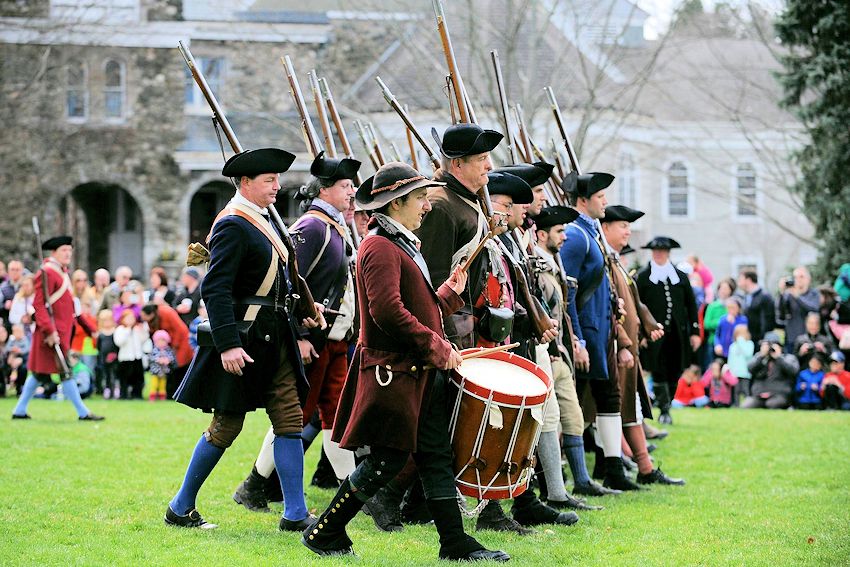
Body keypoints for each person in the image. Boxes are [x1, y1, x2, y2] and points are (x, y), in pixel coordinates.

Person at [303, 161, 508, 562]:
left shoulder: (398, 243)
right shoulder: (379, 246)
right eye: (418, 198)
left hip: (414, 371)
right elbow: (388, 313)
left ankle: (454, 543)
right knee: (387, 459)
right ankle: (325, 532)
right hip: (394, 372)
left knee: (435, 455)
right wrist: (439, 348)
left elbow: (416, 306)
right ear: (395, 204)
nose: (426, 206)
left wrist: (446, 295)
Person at [165, 147, 322, 532]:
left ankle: (295, 513)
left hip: (277, 337)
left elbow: (283, 282)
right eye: (269, 181)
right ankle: (180, 506)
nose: (277, 187)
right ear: (246, 183)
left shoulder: (266, 218)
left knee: (289, 421)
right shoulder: (233, 223)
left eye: (276, 180)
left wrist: (302, 317)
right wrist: (228, 343)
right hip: (246, 339)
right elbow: (215, 288)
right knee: (226, 426)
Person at [233, 151, 361, 511]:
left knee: (334, 415)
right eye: (344, 185)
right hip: (312, 339)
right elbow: (288, 285)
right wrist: (301, 336)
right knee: (294, 417)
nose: (352, 192)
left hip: (333, 337)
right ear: (325, 190)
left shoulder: (333, 226)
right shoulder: (311, 227)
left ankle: (353, 494)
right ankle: (255, 485)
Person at [560, 171, 639, 492]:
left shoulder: (589, 233)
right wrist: (577, 337)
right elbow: (569, 293)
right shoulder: (577, 236)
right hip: (587, 333)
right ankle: (573, 475)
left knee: (609, 396)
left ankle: (613, 467)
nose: (605, 201)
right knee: (576, 401)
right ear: (583, 201)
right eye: (600, 196)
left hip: (601, 330)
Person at [600, 205, 683, 486]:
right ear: (606, 227)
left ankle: (643, 467)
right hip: (615, 347)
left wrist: (645, 326)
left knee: (629, 407)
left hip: (629, 346)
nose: (627, 231)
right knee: (606, 410)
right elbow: (609, 307)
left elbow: (633, 302)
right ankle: (618, 464)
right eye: (622, 226)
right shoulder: (607, 261)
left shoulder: (616, 262)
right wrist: (624, 340)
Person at [533, 205, 607, 508]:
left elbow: (564, 309)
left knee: (573, 417)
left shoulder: (555, 264)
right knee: (547, 421)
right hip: (546, 352)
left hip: (560, 351)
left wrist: (573, 340)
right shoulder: (537, 266)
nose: (565, 237)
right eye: (559, 231)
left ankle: (581, 482)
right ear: (542, 235)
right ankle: (554, 490)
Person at [11, 236, 103, 421]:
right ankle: (83, 412)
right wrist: (50, 331)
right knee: (65, 371)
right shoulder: (47, 272)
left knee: (39, 374)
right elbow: (40, 305)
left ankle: (19, 410)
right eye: (64, 250)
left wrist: (88, 327)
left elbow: (70, 309)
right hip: (50, 334)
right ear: (54, 253)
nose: (68, 254)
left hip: (59, 333)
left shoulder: (61, 273)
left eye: (70, 250)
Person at [636, 236, 701, 424]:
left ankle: (668, 403)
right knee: (658, 369)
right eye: (656, 251)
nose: (659, 254)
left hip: (677, 333)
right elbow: (637, 307)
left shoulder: (680, 277)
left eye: (662, 251)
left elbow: (691, 305)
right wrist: (641, 334)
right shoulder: (643, 277)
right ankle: (664, 409)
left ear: (668, 253)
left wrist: (695, 332)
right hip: (654, 334)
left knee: (676, 370)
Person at [140, 302, 193, 398]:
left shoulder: (167, 312)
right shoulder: (153, 318)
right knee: (170, 370)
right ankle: (169, 393)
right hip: (168, 345)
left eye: (144, 316)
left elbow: (181, 329)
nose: (142, 318)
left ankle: (180, 394)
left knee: (179, 367)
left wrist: (173, 347)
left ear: (151, 314)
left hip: (181, 343)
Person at [742, 332, 798, 409]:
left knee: (772, 404)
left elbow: (793, 371)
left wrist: (779, 358)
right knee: (746, 405)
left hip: (779, 393)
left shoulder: (788, 358)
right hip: (759, 394)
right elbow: (749, 369)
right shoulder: (759, 357)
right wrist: (761, 356)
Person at [777, 266, 819, 353]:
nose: (798, 280)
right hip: (792, 338)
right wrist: (781, 293)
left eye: (801, 276)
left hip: (809, 339)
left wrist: (797, 297)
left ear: (808, 279)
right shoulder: (788, 295)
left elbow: (813, 309)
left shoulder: (814, 294)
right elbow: (781, 315)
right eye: (795, 277)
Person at [114, 308, 148, 399]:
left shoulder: (137, 329)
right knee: (124, 379)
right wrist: (128, 330)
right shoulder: (120, 329)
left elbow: (143, 340)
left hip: (137, 357)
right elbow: (119, 342)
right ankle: (124, 395)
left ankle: (137, 394)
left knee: (138, 378)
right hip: (125, 358)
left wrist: (142, 331)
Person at [736, 270, 775, 344]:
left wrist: (763, 340)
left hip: (760, 340)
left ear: (748, 280)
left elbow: (767, 321)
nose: (739, 282)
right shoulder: (746, 296)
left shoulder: (764, 297)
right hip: (749, 339)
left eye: (741, 279)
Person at [703, 278, 735, 367]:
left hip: (729, 343)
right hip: (713, 341)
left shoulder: (732, 306)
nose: (723, 291)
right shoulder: (712, 306)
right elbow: (707, 324)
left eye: (726, 288)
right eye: (722, 288)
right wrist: (722, 321)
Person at [95, 309, 119, 399]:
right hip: (104, 358)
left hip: (114, 358)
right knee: (106, 374)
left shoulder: (115, 332)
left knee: (115, 374)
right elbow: (99, 347)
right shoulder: (101, 334)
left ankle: (116, 389)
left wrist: (114, 355)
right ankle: (107, 389)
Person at [727, 324, 754, 403]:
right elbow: (730, 360)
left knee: (745, 391)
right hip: (735, 374)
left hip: (745, 374)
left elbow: (748, 354)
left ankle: (747, 405)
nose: (740, 336)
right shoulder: (732, 346)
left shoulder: (749, 344)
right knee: (736, 392)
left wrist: (741, 341)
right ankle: (736, 406)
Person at [149, 329, 176, 402]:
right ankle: (152, 397)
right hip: (155, 371)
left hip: (164, 371)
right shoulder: (154, 350)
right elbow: (151, 358)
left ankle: (162, 397)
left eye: (163, 341)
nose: (161, 343)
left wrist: (168, 360)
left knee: (162, 385)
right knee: (154, 384)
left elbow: (172, 357)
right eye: (159, 341)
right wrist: (158, 360)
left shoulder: (168, 350)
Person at [1, 260, 26, 326]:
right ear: (8, 271)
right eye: (12, 269)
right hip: (9, 322)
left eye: (17, 270)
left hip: (25, 321)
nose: (14, 272)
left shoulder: (27, 285)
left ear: (22, 271)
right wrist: (5, 305)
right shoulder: (3, 287)